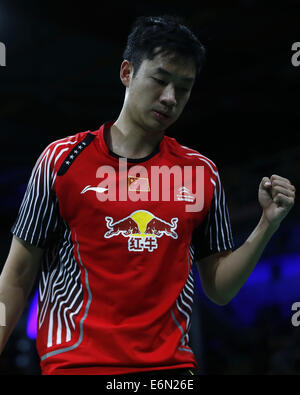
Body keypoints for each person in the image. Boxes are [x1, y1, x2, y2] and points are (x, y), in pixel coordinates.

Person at [0, 15, 295, 376]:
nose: (170, 98)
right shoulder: (62, 160)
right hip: (77, 367)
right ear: (127, 72)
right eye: (160, 80)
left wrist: (266, 224)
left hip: (170, 375)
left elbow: (218, 288)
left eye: (183, 88)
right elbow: (16, 275)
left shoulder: (201, 173)